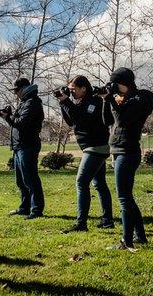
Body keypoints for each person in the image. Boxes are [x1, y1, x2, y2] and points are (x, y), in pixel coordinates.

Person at [101, 67, 153, 251]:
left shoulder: (142, 97)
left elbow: (123, 120)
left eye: (115, 83)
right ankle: (140, 236)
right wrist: (106, 99)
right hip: (118, 150)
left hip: (128, 151)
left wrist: (112, 100)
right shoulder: (119, 99)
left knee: (123, 198)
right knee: (128, 198)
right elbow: (107, 120)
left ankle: (127, 241)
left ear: (123, 82)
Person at [55, 75, 114, 233]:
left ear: (84, 88)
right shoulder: (80, 102)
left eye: (74, 89)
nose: (72, 92)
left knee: (81, 183)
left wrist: (66, 101)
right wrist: (62, 101)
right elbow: (70, 121)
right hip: (93, 148)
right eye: (70, 89)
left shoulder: (94, 101)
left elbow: (81, 120)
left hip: (96, 147)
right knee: (99, 184)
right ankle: (108, 220)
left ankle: (81, 224)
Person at [0, 78, 45, 219]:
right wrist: (9, 116)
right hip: (20, 146)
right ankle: (24, 207)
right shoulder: (25, 102)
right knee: (21, 180)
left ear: (24, 88)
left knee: (30, 179)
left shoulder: (32, 103)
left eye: (16, 90)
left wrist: (8, 117)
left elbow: (21, 123)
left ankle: (36, 210)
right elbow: (18, 122)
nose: (15, 94)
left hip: (28, 146)